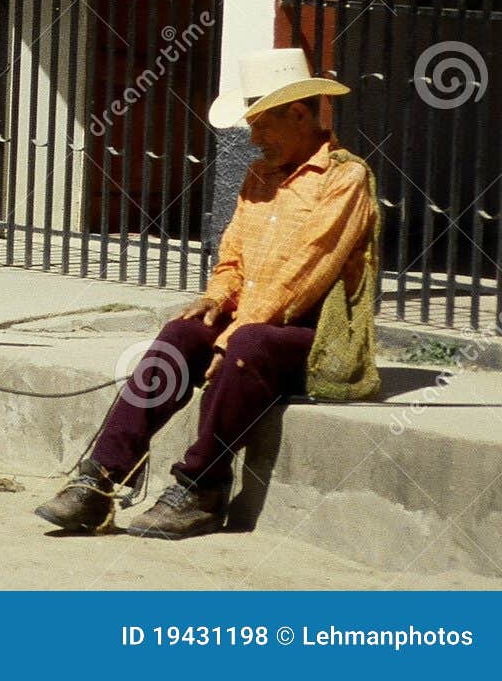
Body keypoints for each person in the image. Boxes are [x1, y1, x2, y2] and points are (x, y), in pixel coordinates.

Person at [35, 48, 380, 539]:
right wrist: (218, 297)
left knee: (247, 346)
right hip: (249, 325)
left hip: (311, 339)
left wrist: (232, 332)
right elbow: (232, 258)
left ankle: (202, 487)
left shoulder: (346, 179)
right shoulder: (257, 175)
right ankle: (101, 478)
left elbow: (305, 275)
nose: (254, 138)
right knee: (180, 332)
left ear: (299, 114)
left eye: (263, 125)